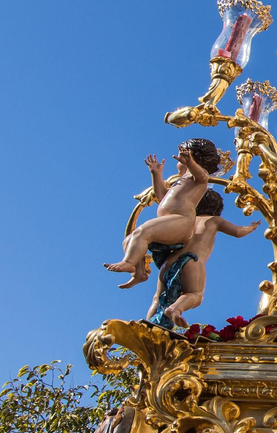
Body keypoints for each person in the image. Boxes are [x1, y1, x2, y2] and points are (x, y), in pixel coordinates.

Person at [105, 139, 221, 288]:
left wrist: (191, 163)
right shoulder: (180, 181)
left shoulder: (197, 177)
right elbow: (161, 196)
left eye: (183, 155)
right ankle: (139, 273)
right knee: (130, 239)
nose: (178, 159)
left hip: (182, 221)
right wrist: (156, 174)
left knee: (143, 232)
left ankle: (128, 262)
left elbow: (203, 177)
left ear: (193, 157)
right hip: (170, 220)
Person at [145, 189, 260, 329]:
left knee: (157, 297)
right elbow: (238, 232)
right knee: (195, 294)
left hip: (168, 262)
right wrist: (251, 227)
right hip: (192, 261)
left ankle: (147, 327)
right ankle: (175, 309)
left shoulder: (187, 221)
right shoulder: (214, 220)